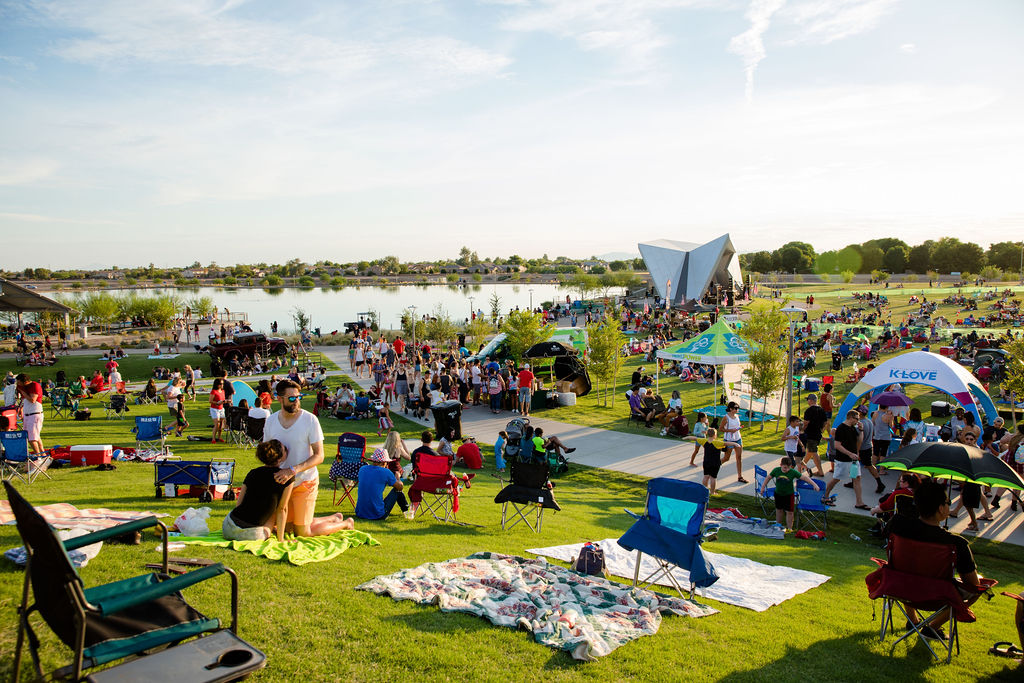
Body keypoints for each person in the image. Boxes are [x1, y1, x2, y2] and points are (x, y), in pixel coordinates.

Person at [883, 479, 986, 639]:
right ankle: (933, 626)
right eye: (948, 502)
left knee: (907, 572)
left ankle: (913, 620)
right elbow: (972, 584)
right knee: (979, 586)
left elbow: (891, 558)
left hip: (898, 587)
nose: (949, 505)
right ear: (940, 509)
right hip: (937, 596)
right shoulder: (956, 543)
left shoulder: (897, 524)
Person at [263, 379, 327, 537]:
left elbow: (319, 456)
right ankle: (317, 517)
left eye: (299, 397)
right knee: (285, 529)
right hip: (282, 484)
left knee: (302, 532)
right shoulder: (271, 421)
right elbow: (267, 454)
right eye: (291, 398)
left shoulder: (310, 420)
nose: (296, 401)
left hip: (305, 481)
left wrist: (293, 470)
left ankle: (345, 522)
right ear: (279, 398)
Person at [222, 439, 295, 542]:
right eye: (285, 450)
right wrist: (281, 539)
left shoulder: (252, 473)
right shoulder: (286, 478)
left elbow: (239, 504)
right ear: (279, 459)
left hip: (229, 527)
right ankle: (271, 531)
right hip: (251, 535)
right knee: (275, 511)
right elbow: (282, 509)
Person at [823, 409, 869, 509]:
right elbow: (837, 445)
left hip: (853, 459)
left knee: (857, 478)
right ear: (851, 418)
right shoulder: (841, 428)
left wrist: (861, 430)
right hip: (843, 460)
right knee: (836, 479)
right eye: (857, 419)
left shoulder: (853, 428)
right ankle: (825, 496)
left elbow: (859, 441)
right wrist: (850, 454)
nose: (858, 421)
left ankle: (859, 502)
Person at [762, 456, 818, 530]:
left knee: (790, 512)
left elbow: (804, 478)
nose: (787, 469)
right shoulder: (776, 470)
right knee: (779, 510)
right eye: (785, 467)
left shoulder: (792, 472)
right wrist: (763, 487)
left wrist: (814, 484)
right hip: (778, 494)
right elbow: (768, 477)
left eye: (788, 467)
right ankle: (778, 525)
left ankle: (789, 528)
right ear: (780, 465)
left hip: (789, 495)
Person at [355, 447, 413, 520]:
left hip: (360, 513)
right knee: (397, 491)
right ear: (384, 462)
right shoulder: (385, 472)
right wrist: (397, 478)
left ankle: (407, 511)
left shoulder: (363, 469)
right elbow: (400, 487)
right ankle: (407, 512)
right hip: (378, 515)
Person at [16, 373, 44, 455]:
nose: (18, 384)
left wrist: (22, 391)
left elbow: (32, 399)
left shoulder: (34, 385)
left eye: (19, 382)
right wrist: (21, 408)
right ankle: (43, 454)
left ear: (25, 381)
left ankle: (38, 456)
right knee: (35, 436)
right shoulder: (24, 387)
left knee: (32, 439)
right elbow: (24, 400)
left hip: (35, 414)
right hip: (27, 414)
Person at [719, 402, 748, 483]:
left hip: (738, 438)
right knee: (726, 458)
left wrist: (738, 428)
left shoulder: (737, 416)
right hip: (729, 440)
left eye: (737, 408)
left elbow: (737, 425)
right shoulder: (726, 417)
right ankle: (715, 465)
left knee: (739, 457)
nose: (737, 410)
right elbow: (720, 429)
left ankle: (740, 476)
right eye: (735, 408)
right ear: (730, 409)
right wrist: (730, 430)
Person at [801, 393, 828, 476]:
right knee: (810, 451)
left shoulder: (809, 411)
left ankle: (820, 471)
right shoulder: (821, 410)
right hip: (818, 433)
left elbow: (806, 423)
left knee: (813, 451)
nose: (807, 401)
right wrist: (821, 430)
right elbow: (825, 422)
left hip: (810, 433)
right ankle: (802, 466)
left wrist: (801, 430)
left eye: (808, 400)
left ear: (811, 400)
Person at [209, 378, 227, 443]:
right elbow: (210, 401)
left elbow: (223, 399)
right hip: (214, 409)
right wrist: (217, 403)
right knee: (217, 424)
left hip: (221, 408)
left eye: (223, 384)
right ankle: (213, 438)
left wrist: (225, 401)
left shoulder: (223, 391)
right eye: (221, 384)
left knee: (221, 423)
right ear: (217, 385)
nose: (222, 385)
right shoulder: (214, 391)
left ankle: (219, 437)